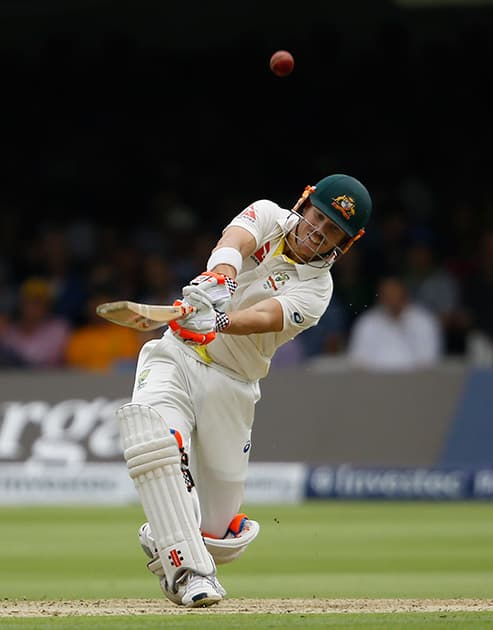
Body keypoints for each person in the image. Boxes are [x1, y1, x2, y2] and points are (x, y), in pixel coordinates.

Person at [116, 173, 372, 607]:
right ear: (305, 204)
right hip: (175, 357)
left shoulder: (317, 290)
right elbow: (235, 241)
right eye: (319, 217)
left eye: (332, 231)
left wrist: (216, 321)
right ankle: (192, 575)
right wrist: (219, 279)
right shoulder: (270, 215)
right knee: (156, 442)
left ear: (344, 244)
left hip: (232, 386)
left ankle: (169, 532)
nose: (318, 232)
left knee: (217, 533)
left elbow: (267, 317)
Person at [346, 275, 443, 371]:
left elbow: (430, 361)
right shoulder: (367, 322)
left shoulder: (424, 321)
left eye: (395, 295)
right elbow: (357, 362)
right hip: (375, 382)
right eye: (387, 296)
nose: (392, 301)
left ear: (405, 295)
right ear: (381, 297)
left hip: (415, 382)